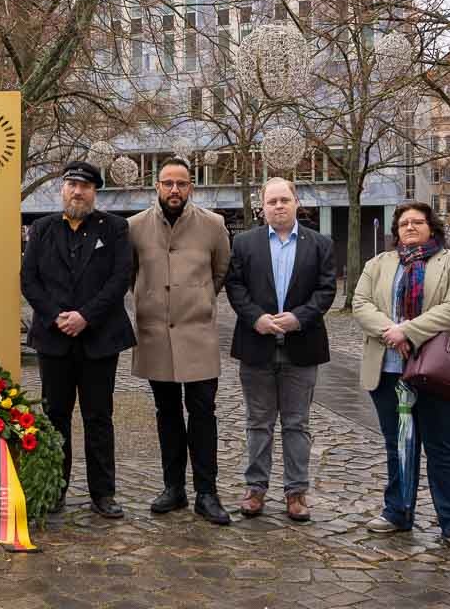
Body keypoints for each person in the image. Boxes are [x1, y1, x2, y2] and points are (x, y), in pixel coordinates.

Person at [352, 201, 450, 549]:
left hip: (441, 371)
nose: (409, 227)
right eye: (403, 223)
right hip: (390, 371)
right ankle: (397, 512)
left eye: (417, 222)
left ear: (431, 227)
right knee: (398, 446)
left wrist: (408, 331)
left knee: (445, 449)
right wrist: (390, 331)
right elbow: (361, 304)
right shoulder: (378, 264)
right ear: (396, 230)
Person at [22, 161, 135, 518]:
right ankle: (55, 488)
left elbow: (120, 278)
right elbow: (29, 280)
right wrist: (56, 316)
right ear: (63, 189)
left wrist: (85, 316)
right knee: (54, 416)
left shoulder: (115, 228)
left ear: (94, 192)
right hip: (54, 339)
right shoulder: (42, 229)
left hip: (99, 339)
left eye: (85, 186)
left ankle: (103, 494)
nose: (78, 191)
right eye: (72, 185)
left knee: (98, 417)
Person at [224, 178, 336, 522]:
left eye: (284, 200)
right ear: (262, 206)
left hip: (302, 347)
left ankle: (296, 492)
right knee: (258, 422)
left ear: (296, 201)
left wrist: (299, 318)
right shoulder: (244, 243)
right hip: (256, 346)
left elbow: (326, 290)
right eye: (271, 201)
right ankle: (255, 488)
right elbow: (235, 286)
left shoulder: (320, 244)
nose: (278, 206)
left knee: (297, 423)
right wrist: (255, 318)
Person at [130, 156, 232, 525]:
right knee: (167, 413)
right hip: (155, 334)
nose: (175, 190)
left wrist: (200, 300)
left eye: (182, 183)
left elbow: (221, 271)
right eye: (168, 183)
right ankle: (173, 487)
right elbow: (131, 273)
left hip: (198, 334)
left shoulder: (213, 224)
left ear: (191, 187)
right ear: (156, 186)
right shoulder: (134, 227)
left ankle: (207, 492)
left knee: (203, 414)